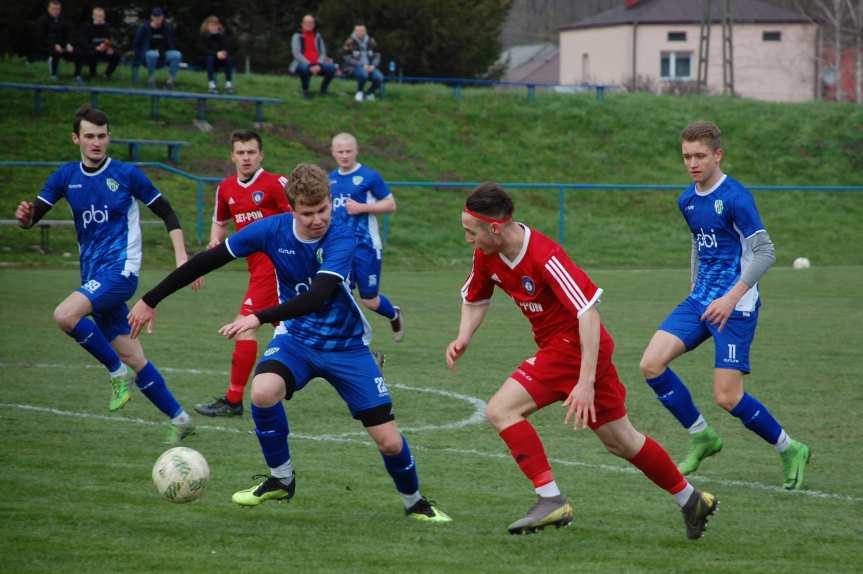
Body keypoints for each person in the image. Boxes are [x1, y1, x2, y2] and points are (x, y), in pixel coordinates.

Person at [128, 163, 450, 522]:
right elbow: (208, 260)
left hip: (346, 347)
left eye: (323, 210)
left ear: (330, 202)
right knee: (263, 392)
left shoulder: (342, 237)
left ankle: (416, 502)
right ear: (292, 208)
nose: (317, 220)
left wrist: (258, 316)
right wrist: (150, 299)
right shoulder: (271, 230)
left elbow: (317, 296)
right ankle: (281, 479)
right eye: (307, 213)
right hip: (296, 338)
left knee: (388, 440)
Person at [446, 183, 717, 538]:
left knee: (501, 410)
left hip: (575, 347)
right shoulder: (487, 253)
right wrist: (465, 335)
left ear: (494, 228)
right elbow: (476, 297)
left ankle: (550, 499)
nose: (469, 239)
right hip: (567, 351)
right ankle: (691, 499)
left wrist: (585, 381)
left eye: (471, 232)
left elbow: (588, 313)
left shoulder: (545, 255)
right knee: (621, 441)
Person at [639, 121, 811, 490]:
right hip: (701, 299)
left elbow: (766, 252)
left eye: (700, 155)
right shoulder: (686, 200)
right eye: (686, 156)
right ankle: (702, 437)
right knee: (651, 364)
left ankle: (790, 447)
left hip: (737, 304)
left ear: (718, 155)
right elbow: (699, 246)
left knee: (727, 396)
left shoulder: (735, 197)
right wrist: (695, 289)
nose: (692, 163)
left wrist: (731, 298)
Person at [14, 105, 198, 444]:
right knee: (134, 355)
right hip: (93, 279)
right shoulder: (65, 177)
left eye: (101, 136)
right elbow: (33, 217)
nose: (96, 142)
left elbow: (167, 212)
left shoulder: (127, 175)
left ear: (109, 137)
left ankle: (116, 372)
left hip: (120, 272)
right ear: (76, 139)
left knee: (65, 315)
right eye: (89, 136)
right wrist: (26, 216)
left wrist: (181, 256)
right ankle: (180, 417)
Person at [194, 131, 290, 417]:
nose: (246, 157)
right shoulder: (225, 189)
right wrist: (209, 254)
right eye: (241, 152)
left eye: (251, 152)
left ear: (260, 155)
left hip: (276, 266)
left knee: (245, 326)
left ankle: (233, 400)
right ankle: (357, 358)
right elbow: (220, 225)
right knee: (298, 330)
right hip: (256, 268)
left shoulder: (276, 183)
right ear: (232, 156)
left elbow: (299, 218)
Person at [329, 133, 404, 342]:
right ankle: (353, 340)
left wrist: (362, 207)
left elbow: (390, 204)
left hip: (366, 246)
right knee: (341, 293)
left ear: (356, 151)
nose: (344, 155)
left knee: (369, 300)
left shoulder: (369, 176)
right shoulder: (329, 180)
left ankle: (394, 314)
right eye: (340, 151)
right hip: (340, 247)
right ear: (333, 152)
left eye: (348, 151)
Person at [133, 7, 182, 89]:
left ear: (162, 17)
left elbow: (171, 43)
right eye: (156, 17)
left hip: (163, 53)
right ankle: (151, 79)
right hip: (148, 55)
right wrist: (139, 56)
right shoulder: (144, 28)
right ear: (152, 17)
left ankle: (170, 81)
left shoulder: (167, 28)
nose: (158, 19)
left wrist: (165, 52)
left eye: (160, 17)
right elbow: (136, 44)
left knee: (177, 55)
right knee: (152, 54)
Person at [290, 14, 336, 99]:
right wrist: (310, 65)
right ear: (302, 24)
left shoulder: (318, 36)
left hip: (318, 64)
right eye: (306, 22)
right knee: (304, 68)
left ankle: (323, 91)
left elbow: (323, 53)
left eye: (311, 23)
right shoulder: (297, 36)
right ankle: (305, 91)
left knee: (332, 67)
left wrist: (318, 64)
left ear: (314, 25)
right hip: (302, 64)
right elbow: (296, 53)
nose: (309, 24)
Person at [37, 0, 80, 81]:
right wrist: (53, 45)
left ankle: (77, 75)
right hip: (47, 46)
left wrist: (69, 44)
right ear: (48, 9)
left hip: (63, 45)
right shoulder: (42, 20)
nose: (56, 11)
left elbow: (70, 33)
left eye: (58, 9)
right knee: (55, 52)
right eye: (53, 9)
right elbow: (41, 38)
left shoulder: (65, 19)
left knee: (78, 51)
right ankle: (53, 75)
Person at [342, 24, 384, 102]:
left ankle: (369, 93)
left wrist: (373, 66)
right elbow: (346, 58)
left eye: (362, 31)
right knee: (363, 74)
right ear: (354, 31)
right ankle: (359, 92)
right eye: (358, 31)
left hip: (370, 66)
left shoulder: (371, 41)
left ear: (365, 31)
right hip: (354, 67)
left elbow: (377, 55)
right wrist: (361, 65)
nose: (360, 32)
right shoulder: (349, 42)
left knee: (379, 77)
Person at [78, 6, 121, 81]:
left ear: (104, 16)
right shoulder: (86, 27)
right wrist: (96, 48)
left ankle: (107, 74)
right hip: (91, 50)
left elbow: (113, 41)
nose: (99, 18)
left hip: (105, 50)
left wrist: (110, 48)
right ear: (93, 16)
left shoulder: (108, 27)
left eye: (101, 16)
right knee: (91, 53)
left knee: (117, 54)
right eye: (97, 16)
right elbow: (83, 43)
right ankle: (93, 75)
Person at [198, 15, 234, 94]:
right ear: (207, 26)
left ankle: (229, 84)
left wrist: (223, 53)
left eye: (215, 25)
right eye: (211, 25)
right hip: (205, 59)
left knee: (228, 58)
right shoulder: (203, 36)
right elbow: (203, 50)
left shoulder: (221, 36)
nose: (214, 27)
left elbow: (227, 48)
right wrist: (216, 54)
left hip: (218, 59)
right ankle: (211, 85)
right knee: (210, 58)